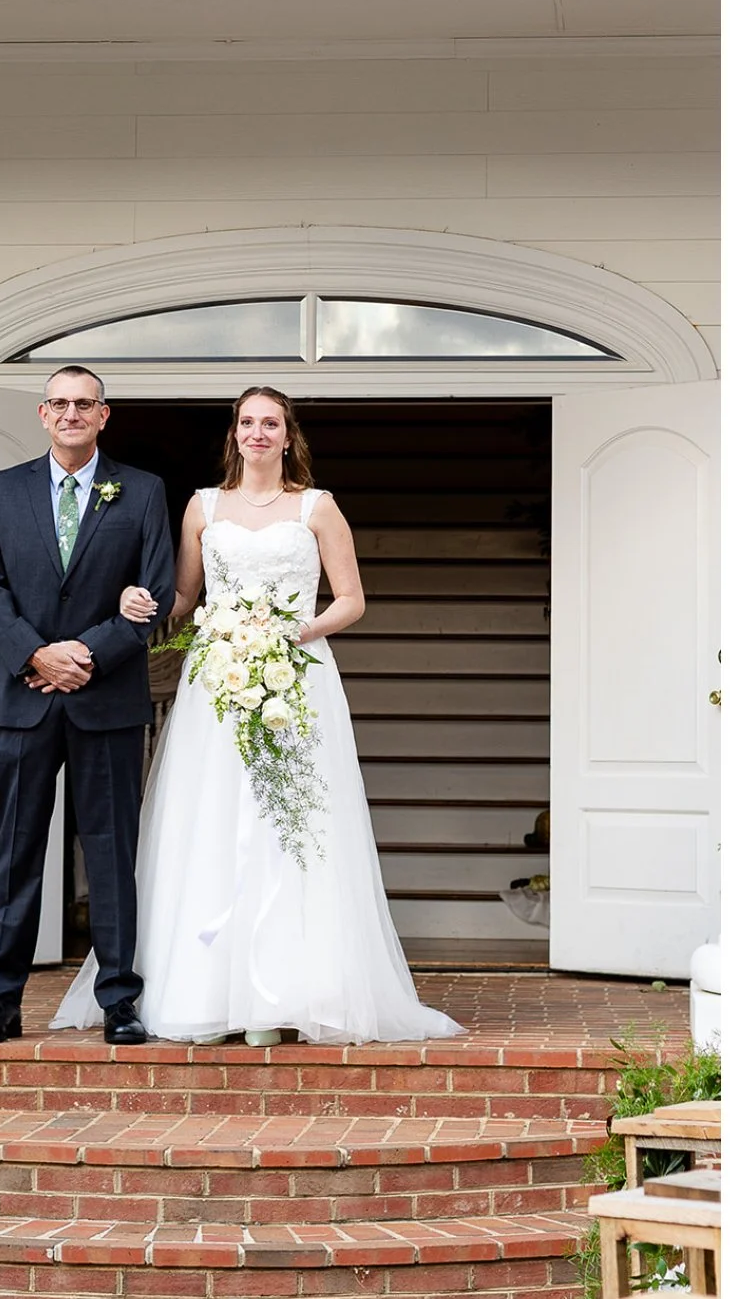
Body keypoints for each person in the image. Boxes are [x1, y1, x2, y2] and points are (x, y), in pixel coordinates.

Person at [51, 386, 463, 1046]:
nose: (257, 433)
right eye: (247, 422)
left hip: (295, 676)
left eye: (270, 422)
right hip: (217, 679)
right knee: (213, 818)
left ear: (287, 433)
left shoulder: (317, 508)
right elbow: (183, 596)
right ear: (234, 434)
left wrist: (297, 633)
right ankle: (207, 990)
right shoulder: (201, 506)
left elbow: (351, 599)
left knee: (291, 821)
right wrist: (135, 600)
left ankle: (295, 992)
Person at [0, 365, 176, 1046]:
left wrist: (83, 653)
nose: (71, 413)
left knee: (112, 853)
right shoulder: (3, 491)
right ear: (41, 413)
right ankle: (0, 1002)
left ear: (103, 416)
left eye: (84, 404)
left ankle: (118, 1000)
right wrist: (36, 656)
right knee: (17, 853)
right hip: (24, 696)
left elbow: (156, 595)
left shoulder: (141, 492)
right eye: (59, 403)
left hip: (105, 698)